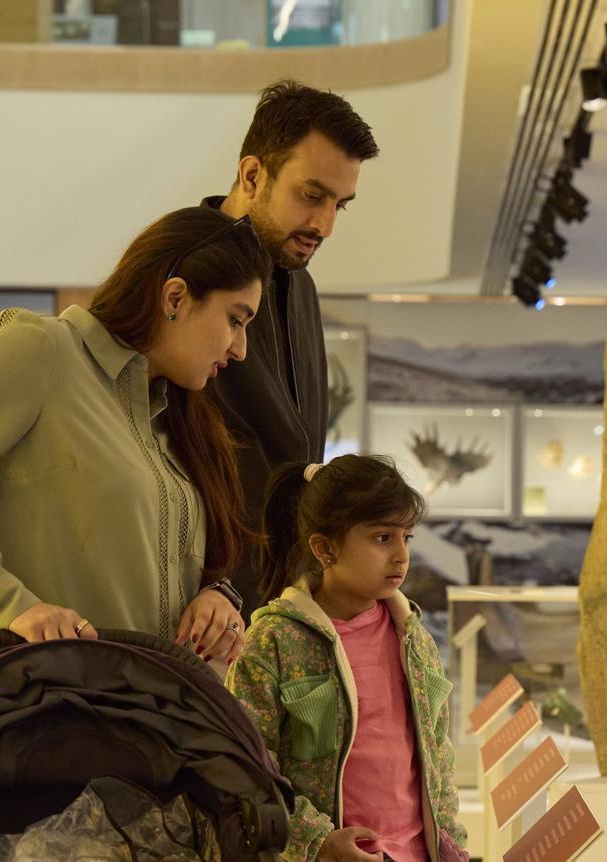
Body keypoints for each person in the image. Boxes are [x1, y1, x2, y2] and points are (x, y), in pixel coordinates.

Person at [0, 207, 266, 663]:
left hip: (150, 701)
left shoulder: (176, 420)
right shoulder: (39, 348)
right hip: (38, 694)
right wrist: (11, 604)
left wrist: (214, 597)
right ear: (175, 298)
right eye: (235, 320)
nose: (241, 349)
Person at [226, 456, 468, 862]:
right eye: (382, 537)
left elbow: (437, 754)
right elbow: (245, 766)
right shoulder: (274, 641)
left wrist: (451, 843)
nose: (401, 555)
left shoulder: (414, 638)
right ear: (325, 548)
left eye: (407, 537)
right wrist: (316, 842)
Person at [204, 79, 380, 618]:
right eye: (311, 195)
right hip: (200, 606)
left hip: (280, 598)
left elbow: (294, 454)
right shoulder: (182, 270)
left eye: (339, 205)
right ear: (252, 175)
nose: (324, 225)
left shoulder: (301, 286)